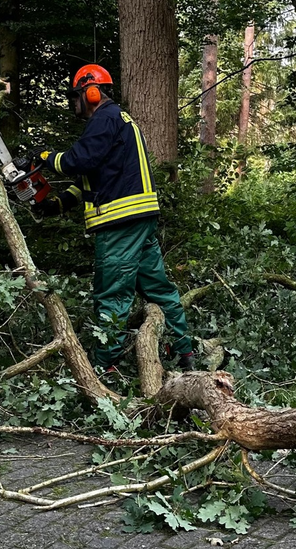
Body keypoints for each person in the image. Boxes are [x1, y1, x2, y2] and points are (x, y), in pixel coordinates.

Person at [33, 64, 194, 372]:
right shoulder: (117, 121)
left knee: (112, 294)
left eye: (76, 97)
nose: (74, 103)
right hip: (139, 219)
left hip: (120, 221)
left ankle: (105, 367)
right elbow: (91, 177)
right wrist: (58, 204)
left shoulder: (104, 119)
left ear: (90, 93)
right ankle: (183, 353)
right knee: (158, 289)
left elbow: (77, 161)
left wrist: (43, 157)